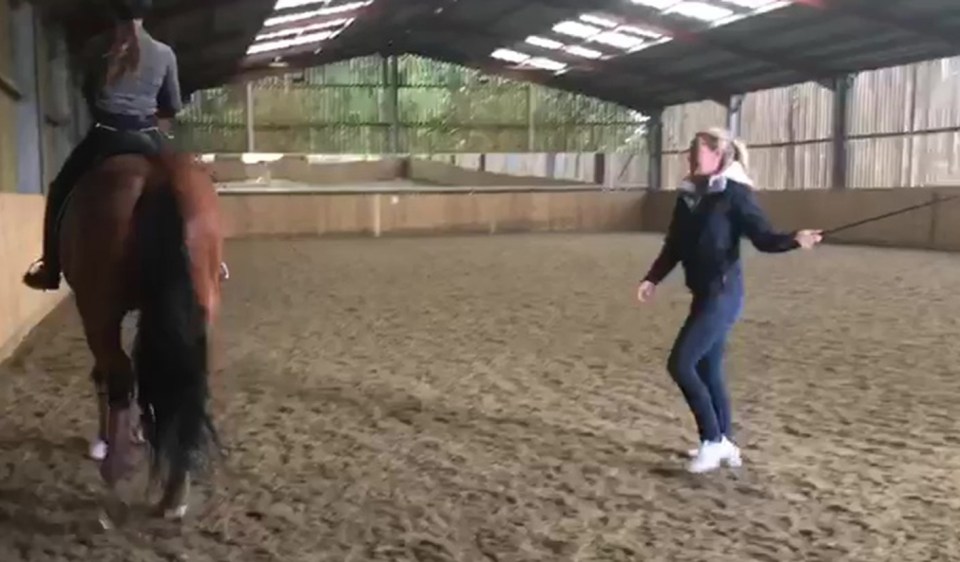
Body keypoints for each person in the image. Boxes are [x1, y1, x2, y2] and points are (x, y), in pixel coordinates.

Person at [636, 127, 822, 474]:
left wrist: (795, 239)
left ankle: (713, 441)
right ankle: (725, 441)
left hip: (723, 295)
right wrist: (653, 277)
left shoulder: (735, 194)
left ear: (718, 155)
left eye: (699, 151)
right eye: (690, 151)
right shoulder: (689, 195)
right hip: (704, 293)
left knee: (681, 364)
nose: (692, 157)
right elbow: (674, 243)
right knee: (708, 369)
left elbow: (763, 238)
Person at [23, 0, 182, 291]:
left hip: (107, 135)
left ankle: (50, 266)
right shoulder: (164, 53)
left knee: (60, 188)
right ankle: (209, 260)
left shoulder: (97, 49)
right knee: (184, 190)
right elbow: (171, 105)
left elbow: (89, 95)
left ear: (113, 13)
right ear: (147, 15)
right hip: (148, 137)